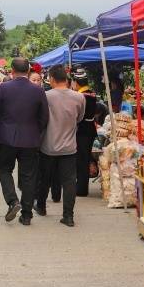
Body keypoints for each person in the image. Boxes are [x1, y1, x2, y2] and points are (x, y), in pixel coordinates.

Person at [0, 58, 49, 225]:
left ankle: (12, 201)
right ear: (28, 71)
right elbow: (44, 117)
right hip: (31, 139)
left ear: (12, 70)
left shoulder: (4, 87)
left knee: (4, 169)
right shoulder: (38, 90)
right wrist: (35, 131)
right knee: (28, 176)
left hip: (7, 138)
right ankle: (26, 215)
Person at [34, 65, 85, 227]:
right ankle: (68, 216)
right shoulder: (79, 98)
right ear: (66, 79)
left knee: (44, 179)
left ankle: (41, 206)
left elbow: (40, 118)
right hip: (69, 147)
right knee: (69, 182)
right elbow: (79, 118)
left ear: (52, 79)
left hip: (48, 146)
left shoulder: (45, 96)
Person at [72, 70, 99, 198]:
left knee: (81, 159)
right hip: (90, 129)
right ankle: (82, 186)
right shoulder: (92, 93)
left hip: (82, 130)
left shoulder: (80, 96)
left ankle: (81, 188)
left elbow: (77, 114)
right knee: (85, 157)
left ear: (77, 83)